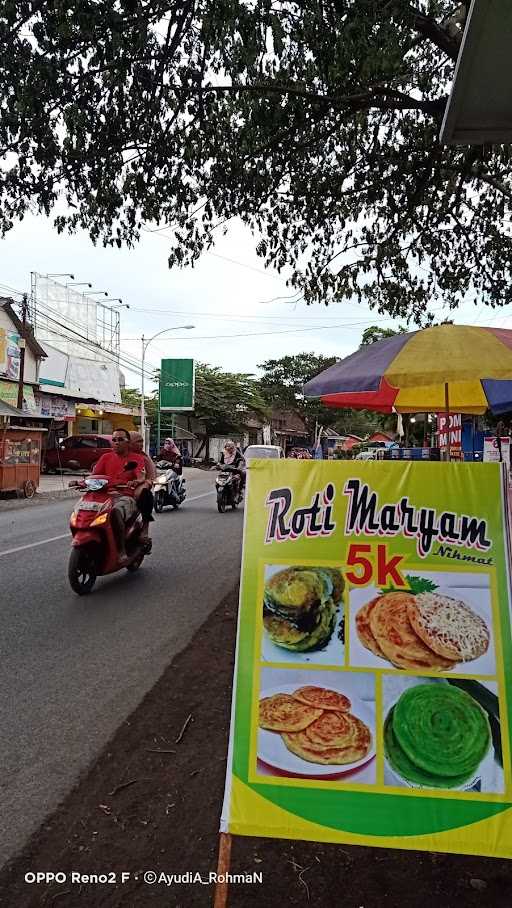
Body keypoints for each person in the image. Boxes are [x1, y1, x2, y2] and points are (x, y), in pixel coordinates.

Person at [92, 428, 146, 565]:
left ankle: (121, 551)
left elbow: (141, 476)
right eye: (114, 440)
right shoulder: (105, 457)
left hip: (125, 496)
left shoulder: (137, 458)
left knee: (115, 512)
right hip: (104, 496)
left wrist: (136, 481)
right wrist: (80, 482)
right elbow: (94, 476)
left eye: (120, 439)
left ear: (128, 443)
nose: (116, 442)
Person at [130, 431, 156, 539]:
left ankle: (145, 527)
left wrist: (144, 484)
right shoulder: (111, 456)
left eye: (142, 442)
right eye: (138, 442)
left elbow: (150, 476)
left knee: (146, 495)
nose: (141, 444)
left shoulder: (143, 458)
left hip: (137, 489)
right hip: (118, 489)